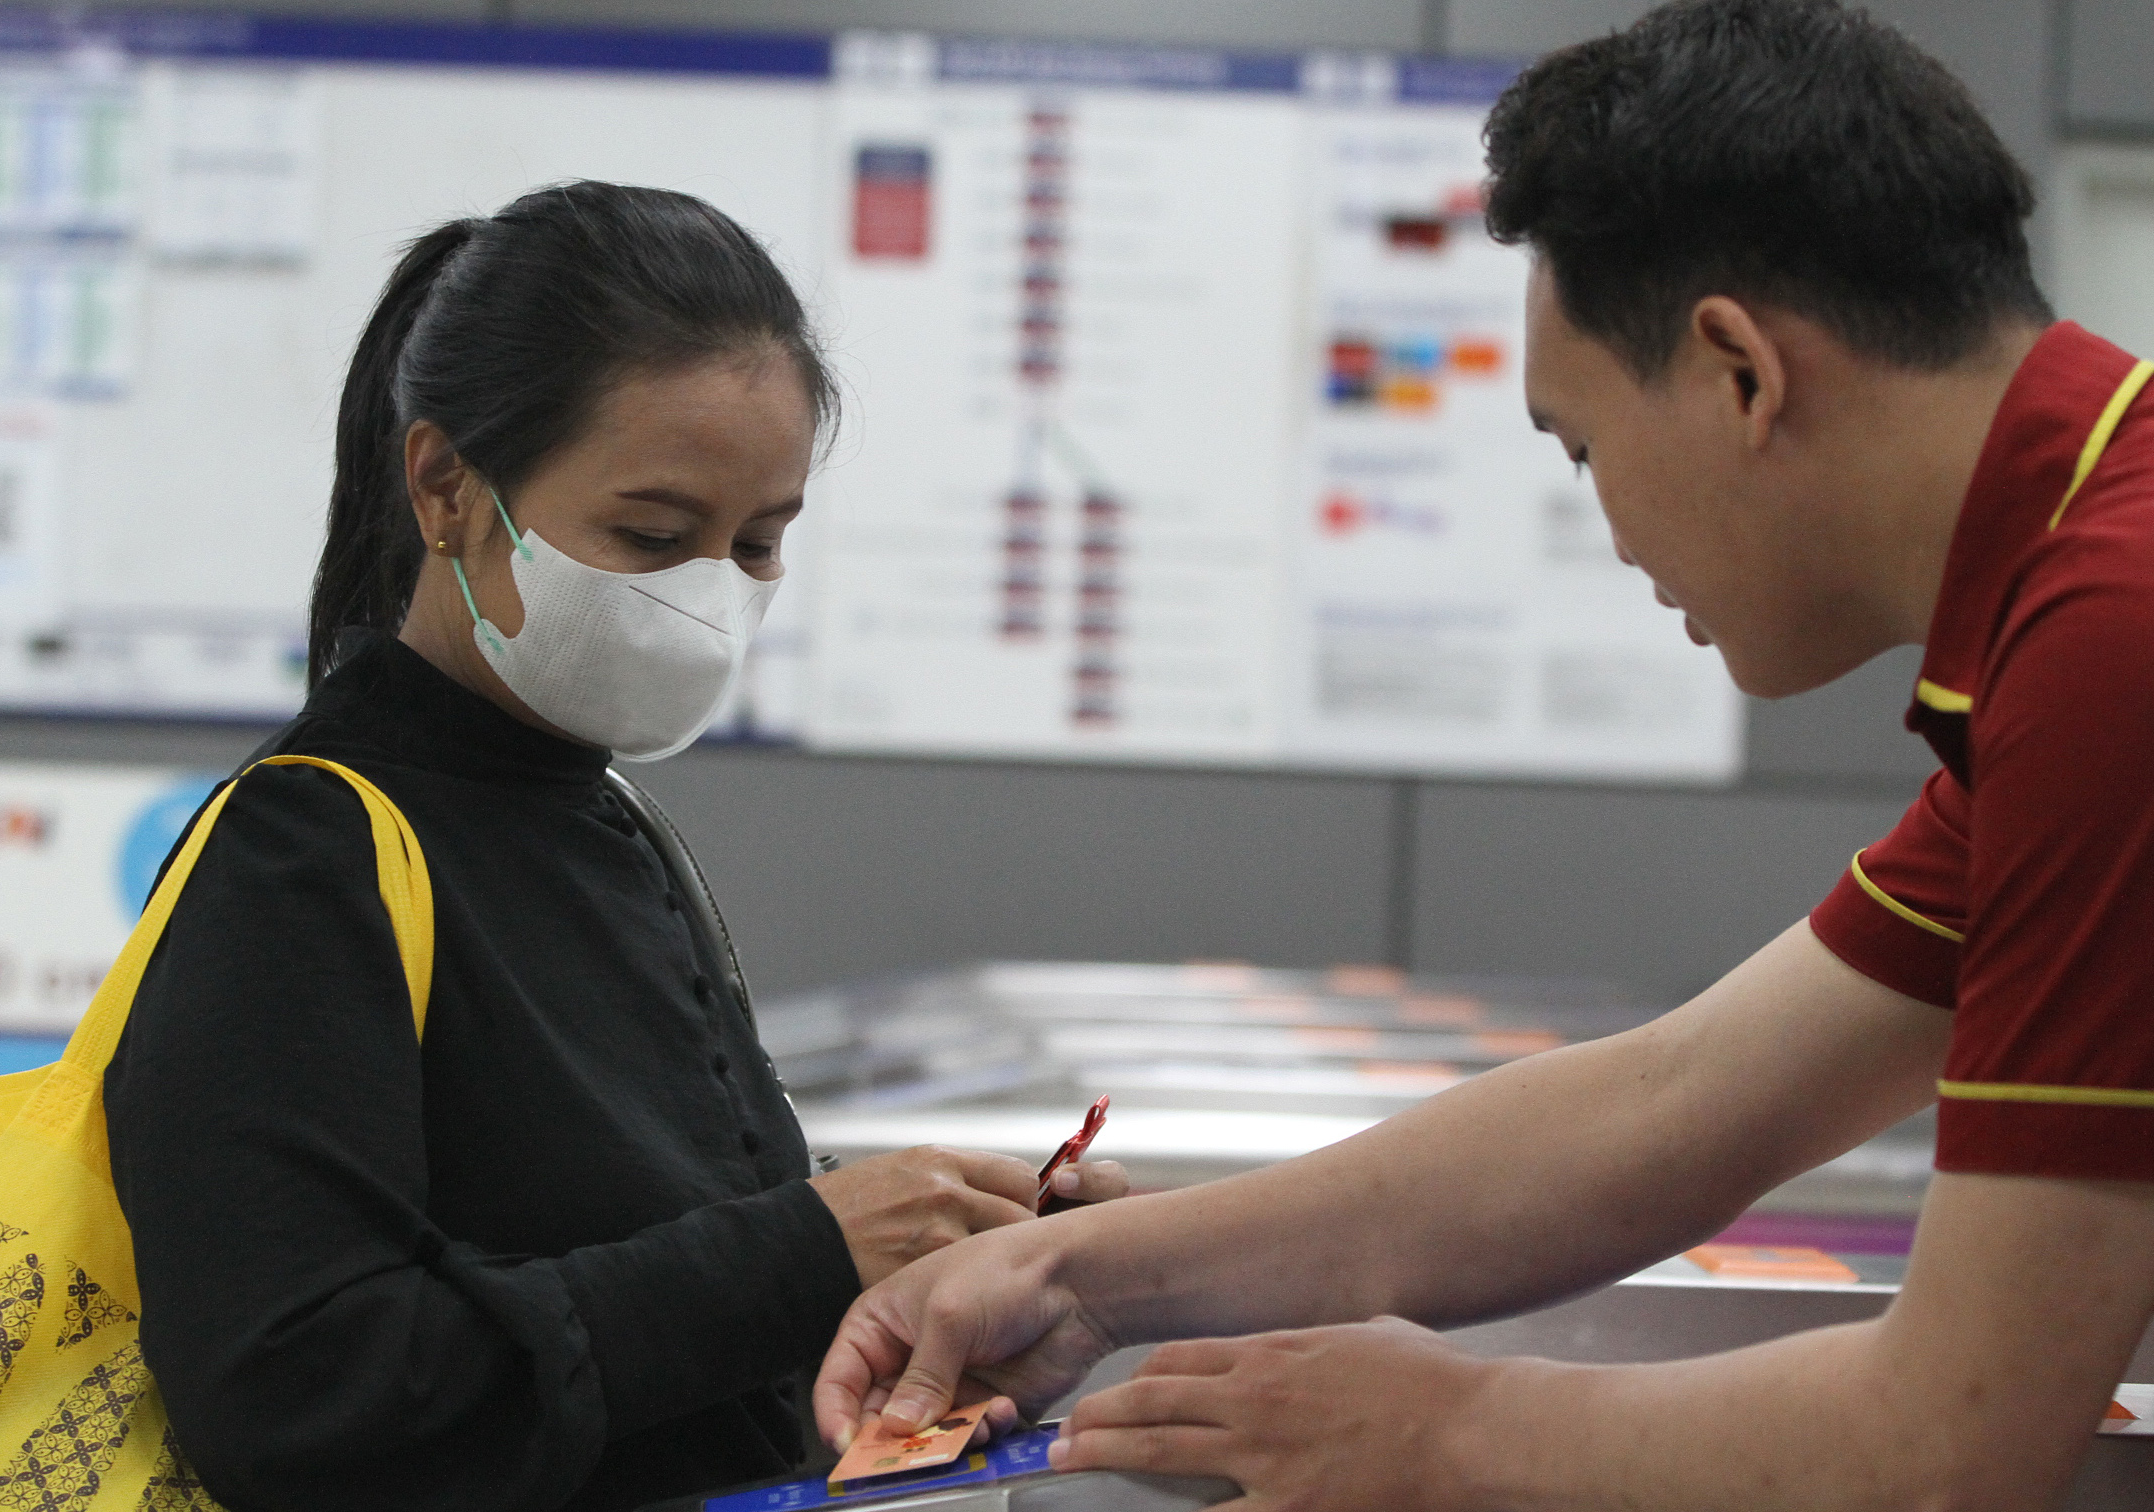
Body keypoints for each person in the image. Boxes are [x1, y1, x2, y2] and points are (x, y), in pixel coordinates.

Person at [813, 4, 2154, 1507]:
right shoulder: (2078, 593)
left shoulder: (2116, 640)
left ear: (1739, 371)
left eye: (1581, 449)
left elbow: (1952, 1441)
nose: (1613, 532)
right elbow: (1677, 1105)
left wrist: (1446, 1431)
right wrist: (1081, 1274)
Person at [105, 181, 1126, 1512]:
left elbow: (662, 1328)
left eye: (758, 543)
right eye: (653, 536)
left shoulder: (608, 822)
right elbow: (293, 1399)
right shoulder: (308, 852)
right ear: (445, 486)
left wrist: (936, 1291)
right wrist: (807, 1251)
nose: (708, 596)